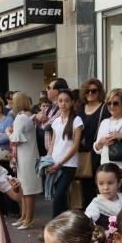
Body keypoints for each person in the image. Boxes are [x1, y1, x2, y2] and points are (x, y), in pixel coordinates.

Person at [45, 88, 84, 218]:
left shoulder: (77, 120)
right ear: (57, 102)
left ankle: (53, 226)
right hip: (54, 164)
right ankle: (65, 225)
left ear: (72, 102)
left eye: (67, 101)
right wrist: (48, 161)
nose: (63, 103)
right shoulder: (56, 122)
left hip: (68, 165)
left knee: (59, 195)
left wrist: (60, 163)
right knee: (60, 198)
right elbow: (53, 144)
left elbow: (75, 146)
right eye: (60, 101)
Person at [9, 92, 42, 229]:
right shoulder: (29, 116)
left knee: (27, 190)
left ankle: (28, 219)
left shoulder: (20, 117)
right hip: (30, 154)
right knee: (26, 189)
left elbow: (14, 138)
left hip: (25, 157)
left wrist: (8, 133)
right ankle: (25, 217)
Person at [78, 78, 108, 205]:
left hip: (100, 152)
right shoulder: (79, 109)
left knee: (101, 185)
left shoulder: (105, 108)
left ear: (99, 92)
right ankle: (88, 218)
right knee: (85, 187)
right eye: (87, 91)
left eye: (93, 91)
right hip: (83, 153)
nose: (90, 93)